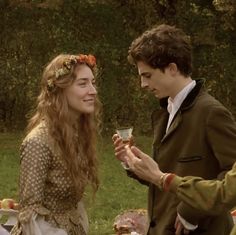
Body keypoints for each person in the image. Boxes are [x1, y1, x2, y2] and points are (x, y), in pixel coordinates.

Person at [112, 24, 236, 235]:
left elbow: (231, 177)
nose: (142, 84)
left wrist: (190, 211)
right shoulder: (165, 112)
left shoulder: (211, 113)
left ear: (172, 68)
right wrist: (132, 162)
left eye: (147, 75)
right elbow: (162, 174)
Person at [10, 53, 101, 235]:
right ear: (60, 90)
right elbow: (30, 213)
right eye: (83, 84)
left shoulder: (76, 133)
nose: (93, 90)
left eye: (92, 82)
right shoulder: (38, 142)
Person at [123, 145, 236, 235]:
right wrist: (134, 164)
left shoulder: (212, 115)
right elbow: (169, 167)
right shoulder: (161, 117)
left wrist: (163, 179)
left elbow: (225, 191)